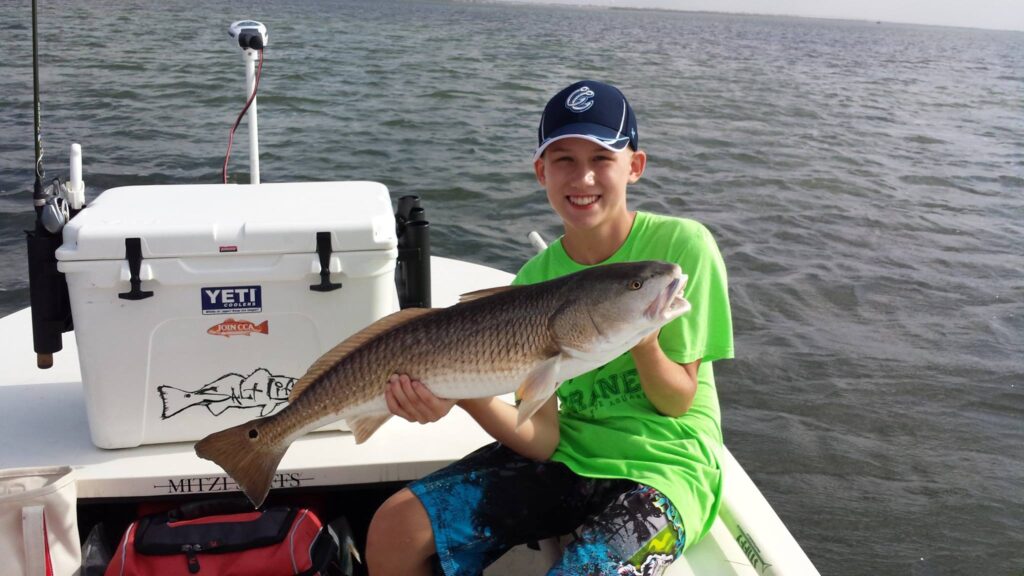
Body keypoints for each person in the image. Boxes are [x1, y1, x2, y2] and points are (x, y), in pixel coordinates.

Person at [365, 80, 734, 576]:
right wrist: (460, 387)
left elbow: (677, 402)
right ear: (542, 172)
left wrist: (645, 341)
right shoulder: (534, 281)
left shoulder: (678, 251)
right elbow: (541, 440)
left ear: (634, 166)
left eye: (602, 158)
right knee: (394, 529)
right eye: (563, 160)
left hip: (665, 469)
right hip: (567, 459)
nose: (583, 177)